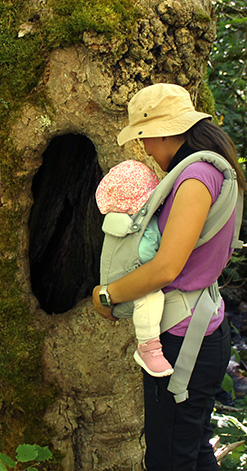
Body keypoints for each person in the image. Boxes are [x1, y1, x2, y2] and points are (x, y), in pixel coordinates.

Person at [92, 83, 247, 470]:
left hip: (184, 341)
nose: (144, 149)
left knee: (168, 461)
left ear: (162, 131)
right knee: (192, 451)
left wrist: (108, 295)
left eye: (144, 138)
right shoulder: (213, 170)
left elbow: (167, 267)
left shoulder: (195, 178)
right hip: (203, 328)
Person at [95, 159, 174, 377]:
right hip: (127, 292)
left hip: (113, 283)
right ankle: (148, 348)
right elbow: (149, 257)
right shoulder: (141, 228)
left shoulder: (116, 221)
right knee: (151, 298)